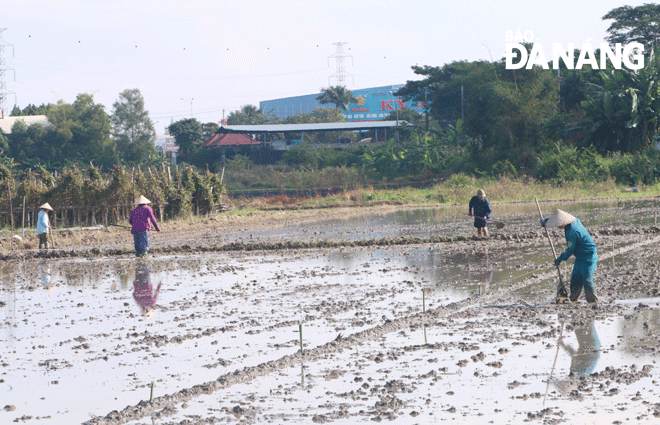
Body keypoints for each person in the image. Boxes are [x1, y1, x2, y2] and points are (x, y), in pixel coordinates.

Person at [541, 209, 598, 303]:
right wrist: (546, 221)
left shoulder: (571, 231)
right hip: (580, 256)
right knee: (575, 278)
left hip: (589, 255)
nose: (558, 226)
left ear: (564, 222)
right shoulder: (575, 220)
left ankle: (593, 303)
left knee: (587, 280)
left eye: (559, 224)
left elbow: (570, 250)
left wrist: (560, 258)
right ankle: (572, 300)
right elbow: (556, 218)